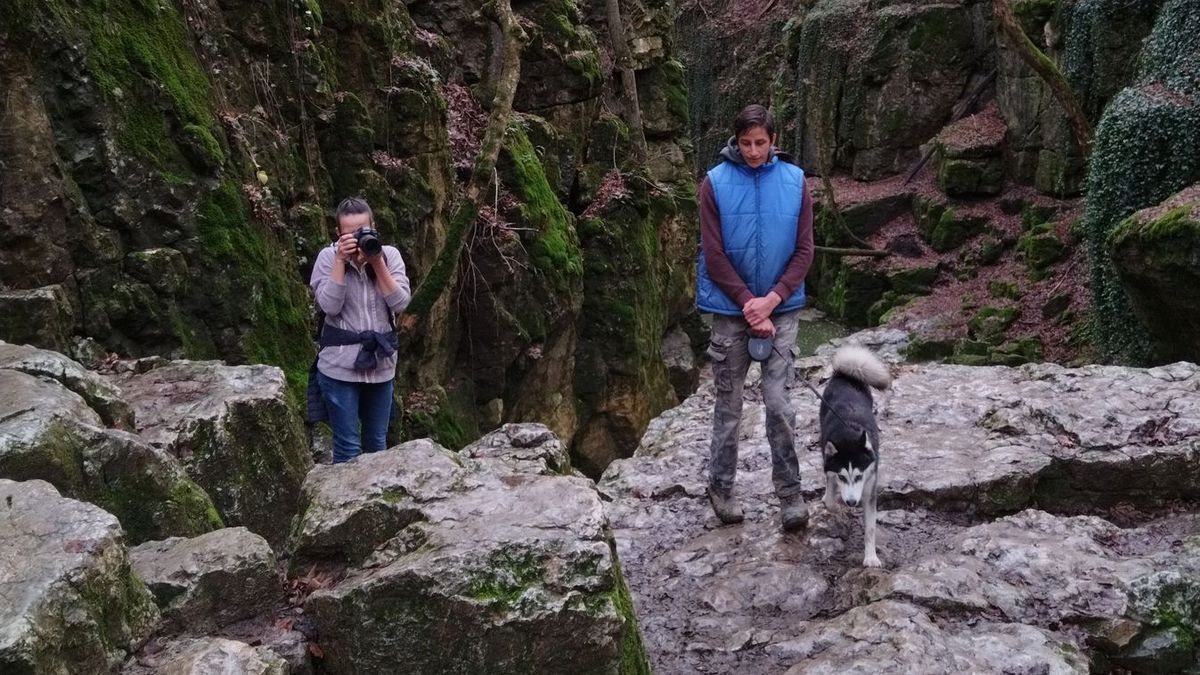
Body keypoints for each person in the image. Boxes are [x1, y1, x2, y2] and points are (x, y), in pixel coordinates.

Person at [696, 104, 815, 531]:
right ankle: (721, 488)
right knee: (728, 406)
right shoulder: (714, 183)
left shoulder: (796, 181)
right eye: (745, 143)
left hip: (781, 309)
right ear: (736, 139)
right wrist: (750, 303)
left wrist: (772, 301)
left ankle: (790, 495)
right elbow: (713, 255)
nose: (752, 151)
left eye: (760, 142)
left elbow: (805, 251)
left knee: (779, 404)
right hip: (731, 312)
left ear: (773, 140)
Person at [308, 197, 411, 463]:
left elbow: (401, 304)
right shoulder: (328, 257)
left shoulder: (389, 255)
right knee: (347, 446)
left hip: (381, 366)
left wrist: (377, 263)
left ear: (374, 227)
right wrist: (340, 262)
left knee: (377, 443)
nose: (358, 237)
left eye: (363, 230)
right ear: (338, 233)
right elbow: (329, 307)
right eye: (350, 233)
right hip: (338, 366)